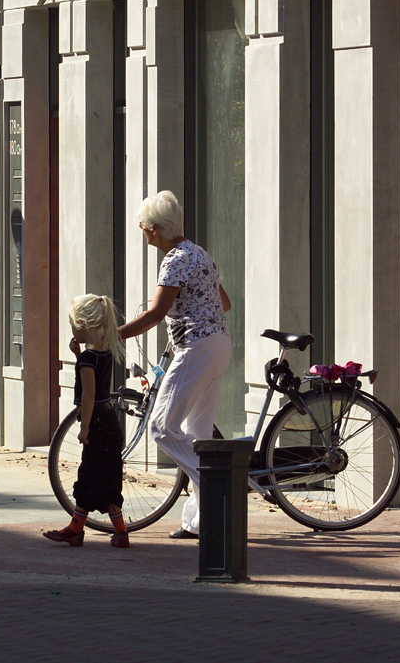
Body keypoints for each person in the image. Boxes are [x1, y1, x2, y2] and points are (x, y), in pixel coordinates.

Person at [119, 191, 232, 540]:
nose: (142, 232)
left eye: (142, 226)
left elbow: (154, 313)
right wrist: (187, 316)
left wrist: (112, 335)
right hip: (218, 345)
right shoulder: (199, 254)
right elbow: (223, 303)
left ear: (154, 229)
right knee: (198, 435)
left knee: (161, 427)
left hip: (196, 348)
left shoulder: (174, 260)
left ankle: (218, 487)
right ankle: (199, 522)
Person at [44, 294, 130, 548]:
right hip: (109, 420)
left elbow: (89, 394)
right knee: (107, 476)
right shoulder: (104, 353)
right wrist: (78, 351)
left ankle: (76, 529)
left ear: (82, 324)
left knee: (90, 474)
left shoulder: (86, 360)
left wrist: (84, 427)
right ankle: (118, 530)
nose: (71, 330)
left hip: (96, 423)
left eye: (72, 324)